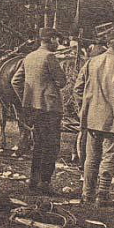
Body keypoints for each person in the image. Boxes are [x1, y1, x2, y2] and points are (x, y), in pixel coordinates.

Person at [74, 31, 114, 206]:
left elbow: (77, 89)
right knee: (109, 157)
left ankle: (87, 194)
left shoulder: (91, 62)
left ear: (108, 44)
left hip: (91, 118)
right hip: (112, 120)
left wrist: (84, 107)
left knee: (91, 157)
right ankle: (102, 195)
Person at [11, 28, 68, 194]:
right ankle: (44, 183)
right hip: (49, 108)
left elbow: (16, 81)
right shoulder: (49, 57)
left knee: (38, 144)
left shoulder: (29, 56)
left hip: (33, 108)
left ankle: (34, 180)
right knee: (51, 146)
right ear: (50, 40)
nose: (58, 44)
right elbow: (62, 81)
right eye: (56, 40)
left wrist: (27, 97)